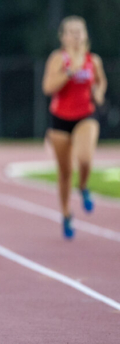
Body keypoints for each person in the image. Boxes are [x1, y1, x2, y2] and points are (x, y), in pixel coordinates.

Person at [42, 16, 108, 239]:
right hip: (60, 119)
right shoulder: (57, 59)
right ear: (63, 37)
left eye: (80, 31)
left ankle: (83, 186)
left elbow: (100, 81)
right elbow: (48, 87)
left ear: (86, 35)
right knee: (64, 172)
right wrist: (70, 71)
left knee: (85, 158)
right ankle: (66, 213)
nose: (76, 35)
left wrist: (99, 92)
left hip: (85, 116)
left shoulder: (93, 60)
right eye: (71, 31)